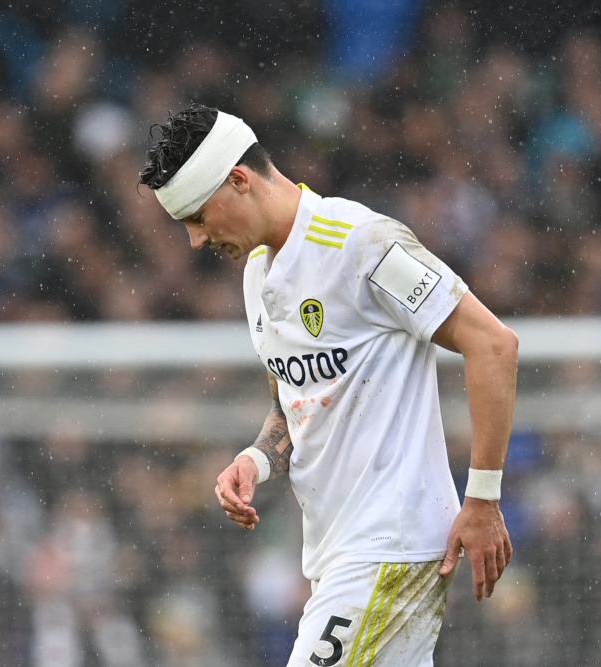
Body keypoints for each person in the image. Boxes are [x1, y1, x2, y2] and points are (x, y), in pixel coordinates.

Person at [139, 104, 518, 667]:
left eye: (197, 217)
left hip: (389, 543)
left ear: (239, 181)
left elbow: (493, 344)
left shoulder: (361, 242)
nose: (195, 241)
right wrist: (256, 460)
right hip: (336, 556)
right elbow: (290, 406)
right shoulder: (256, 276)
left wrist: (483, 497)